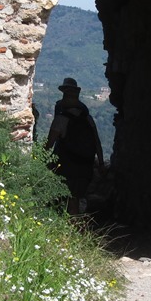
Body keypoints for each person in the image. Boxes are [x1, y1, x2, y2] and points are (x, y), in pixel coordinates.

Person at [45, 77, 105, 215]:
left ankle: (71, 229)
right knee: (77, 198)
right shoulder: (87, 118)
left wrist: (39, 160)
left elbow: (48, 145)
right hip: (85, 165)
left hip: (66, 165)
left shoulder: (61, 119)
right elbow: (97, 141)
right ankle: (78, 227)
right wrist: (101, 163)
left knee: (68, 199)